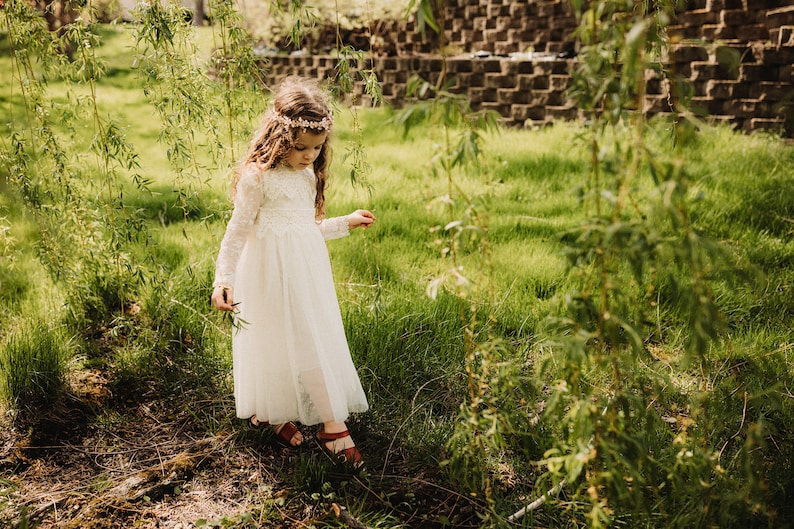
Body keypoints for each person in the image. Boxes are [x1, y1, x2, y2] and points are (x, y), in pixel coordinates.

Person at [210, 76, 375, 467]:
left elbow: (306, 228)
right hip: (267, 273)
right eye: (300, 147)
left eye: (317, 148)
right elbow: (236, 232)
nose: (309, 156)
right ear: (279, 137)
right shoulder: (257, 177)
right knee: (275, 340)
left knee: (309, 338)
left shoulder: (305, 175)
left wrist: (344, 223)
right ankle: (288, 415)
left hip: (304, 272)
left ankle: (323, 422)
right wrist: (224, 279)